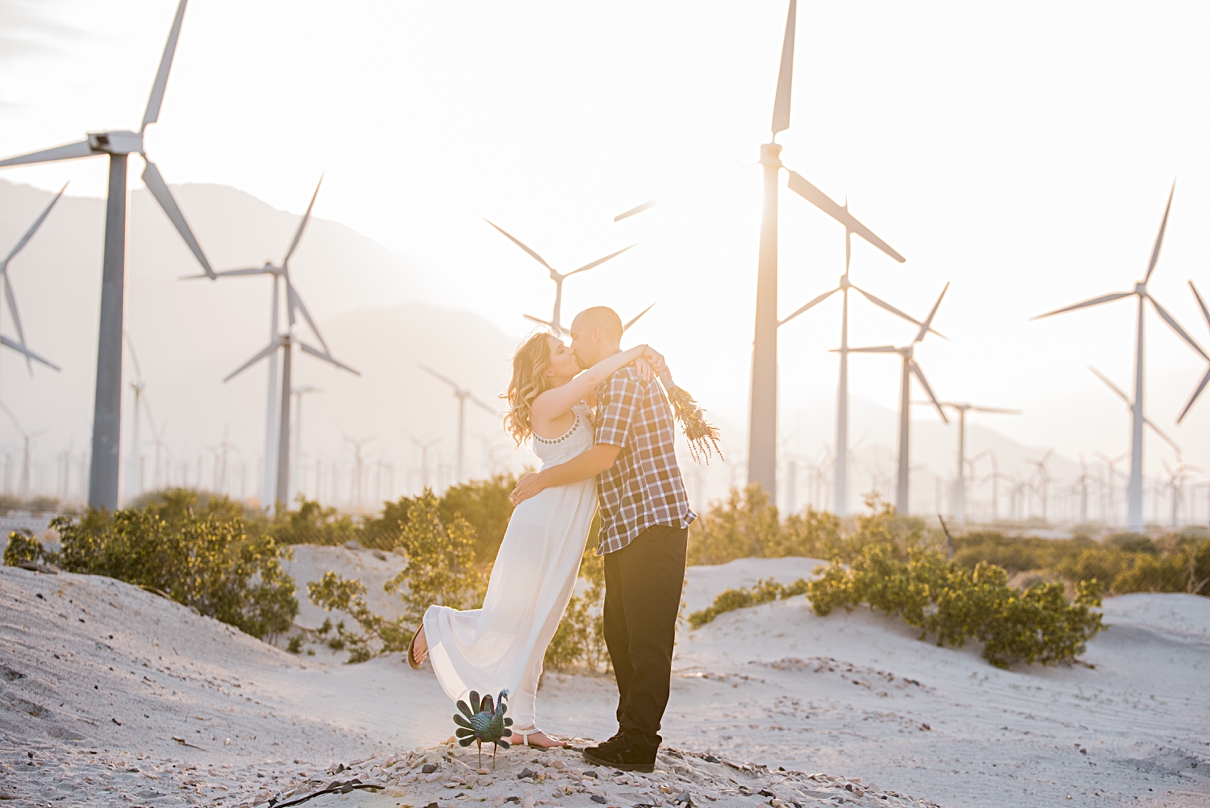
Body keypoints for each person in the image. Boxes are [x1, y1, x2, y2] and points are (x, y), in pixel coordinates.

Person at [407, 331, 654, 749]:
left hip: (566, 524)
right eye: (560, 350)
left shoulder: (574, 401)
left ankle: (522, 725)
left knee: (542, 622)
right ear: (546, 369)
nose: (570, 350)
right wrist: (639, 350)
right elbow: (595, 376)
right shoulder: (546, 403)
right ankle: (440, 625)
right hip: (544, 521)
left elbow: (605, 388)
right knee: (519, 615)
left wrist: (638, 364)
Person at [510, 306, 696, 773]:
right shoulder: (617, 377)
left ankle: (639, 743)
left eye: (574, 337)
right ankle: (629, 733)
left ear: (595, 334)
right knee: (621, 633)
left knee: (647, 639)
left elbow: (603, 456)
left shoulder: (625, 380)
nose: (572, 347)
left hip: (653, 520)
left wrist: (543, 478)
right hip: (625, 526)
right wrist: (647, 356)